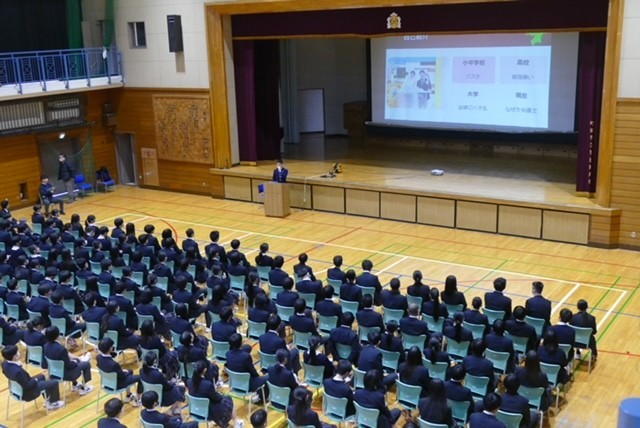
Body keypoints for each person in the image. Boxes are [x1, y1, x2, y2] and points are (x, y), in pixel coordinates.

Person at [1, 345, 64, 410]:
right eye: (17, 352)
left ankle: (48, 399)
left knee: (42, 376)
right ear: (14, 356)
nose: (19, 353)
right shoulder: (18, 372)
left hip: (16, 389)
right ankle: (53, 403)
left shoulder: (4, 364)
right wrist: (36, 380)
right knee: (54, 383)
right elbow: (27, 385)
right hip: (29, 392)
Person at [43, 326, 93, 395]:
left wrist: (76, 359)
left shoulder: (45, 346)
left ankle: (75, 384)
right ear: (57, 335)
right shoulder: (61, 349)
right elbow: (69, 365)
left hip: (54, 372)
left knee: (76, 361)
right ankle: (84, 388)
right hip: (66, 374)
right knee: (86, 364)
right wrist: (75, 362)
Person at [186, 360, 237, 428]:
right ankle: (236, 423)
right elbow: (217, 399)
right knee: (229, 399)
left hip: (196, 411)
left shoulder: (189, 382)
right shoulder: (207, 384)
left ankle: (219, 421)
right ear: (205, 370)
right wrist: (220, 394)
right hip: (208, 412)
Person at [97, 337, 141, 406]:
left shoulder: (98, 357)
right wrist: (126, 372)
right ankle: (137, 400)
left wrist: (125, 371)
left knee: (130, 371)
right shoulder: (114, 364)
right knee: (140, 378)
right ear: (110, 348)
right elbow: (122, 376)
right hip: (117, 384)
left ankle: (128, 395)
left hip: (106, 383)